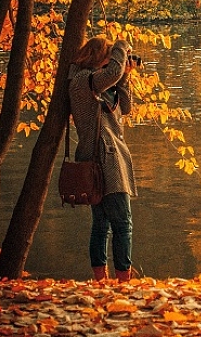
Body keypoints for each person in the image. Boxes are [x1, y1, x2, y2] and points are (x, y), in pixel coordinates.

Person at [68, 37, 137, 282]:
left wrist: (125, 77)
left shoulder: (100, 85)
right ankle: (123, 280)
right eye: (109, 55)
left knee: (103, 224)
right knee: (122, 223)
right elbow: (113, 71)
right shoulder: (82, 82)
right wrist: (121, 45)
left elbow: (126, 108)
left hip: (108, 157)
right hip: (102, 159)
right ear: (98, 56)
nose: (113, 61)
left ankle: (102, 280)